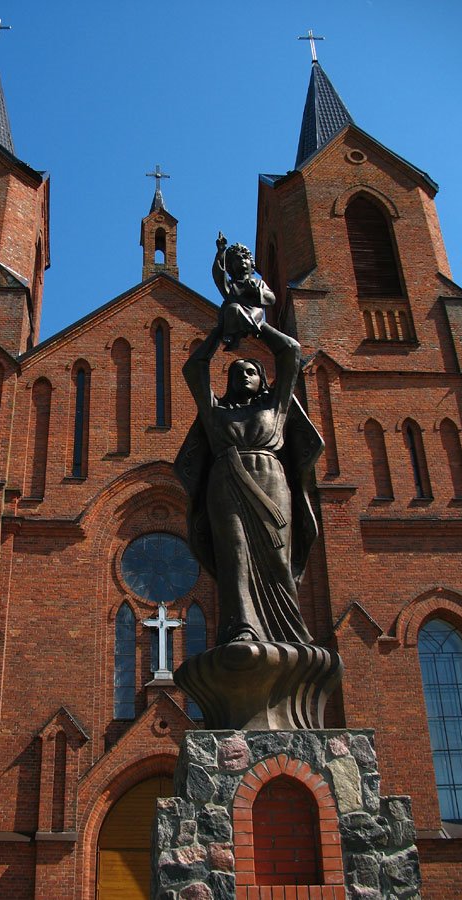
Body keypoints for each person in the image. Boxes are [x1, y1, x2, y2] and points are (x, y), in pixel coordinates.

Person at [175, 294, 323, 646]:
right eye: (238, 371)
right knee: (235, 554)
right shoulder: (215, 413)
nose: (245, 375)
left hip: (271, 482)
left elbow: (290, 352)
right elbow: (194, 369)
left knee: (277, 557)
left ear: (263, 381)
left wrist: (256, 326)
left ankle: (288, 632)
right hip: (226, 485)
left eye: (253, 371)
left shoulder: (277, 407)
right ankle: (243, 626)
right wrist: (219, 331)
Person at [212, 232, 276, 349]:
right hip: (236, 314)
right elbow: (219, 276)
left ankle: (251, 328)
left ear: (251, 262)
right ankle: (231, 336)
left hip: (255, 314)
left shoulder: (259, 283)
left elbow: (271, 299)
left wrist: (256, 291)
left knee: (291, 345)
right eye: (237, 258)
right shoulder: (231, 285)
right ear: (230, 265)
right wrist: (221, 252)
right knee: (233, 308)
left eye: (245, 257)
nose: (242, 260)